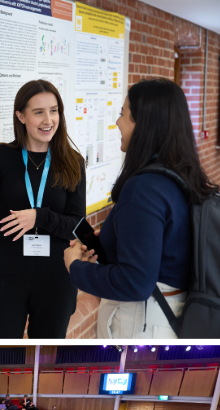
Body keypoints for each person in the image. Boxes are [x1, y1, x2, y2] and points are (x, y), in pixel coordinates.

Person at [66, 79, 217, 338]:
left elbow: (135, 282)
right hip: (168, 313)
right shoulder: (181, 176)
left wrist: (75, 268)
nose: (117, 123)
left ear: (144, 125)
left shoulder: (143, 189)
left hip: (142, 322)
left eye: (123, 114)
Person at [0, 79, 85, 338]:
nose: (48, 120)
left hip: (56, 271)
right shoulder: (1, 157)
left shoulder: (72, 162)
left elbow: (77, 223)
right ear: (21, 116)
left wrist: (38, 216)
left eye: (54, 110)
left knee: (45, 349)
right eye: (39, 112)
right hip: (8, 268)